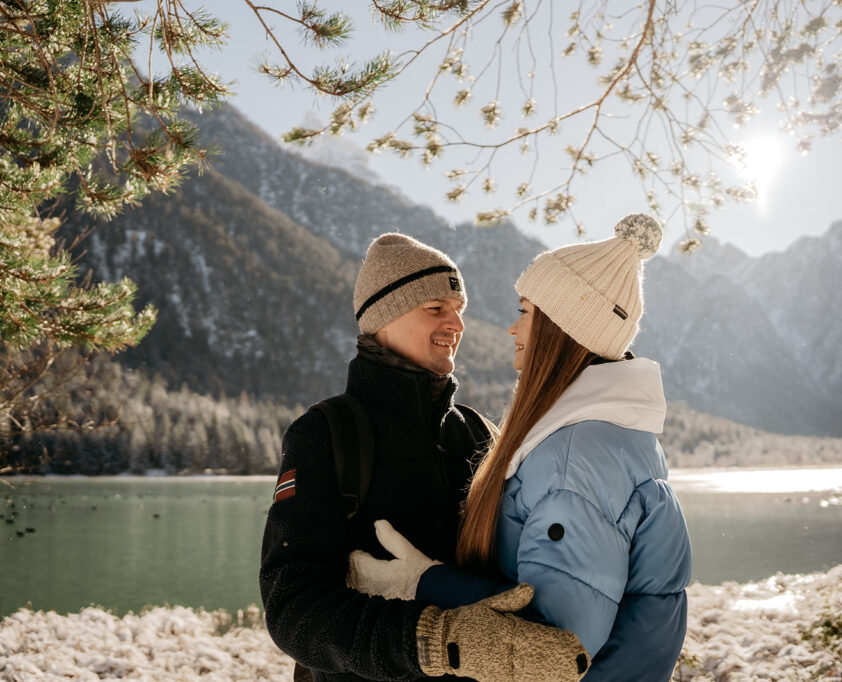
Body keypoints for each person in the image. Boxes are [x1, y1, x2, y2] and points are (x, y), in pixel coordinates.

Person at [348, 215, 693, 681]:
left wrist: (425, 583)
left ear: (561, 328)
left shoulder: (575, 455)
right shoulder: (615, 434)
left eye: (526, 312)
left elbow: (557, 643)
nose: (513, 329)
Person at [259, 233, 589, 682]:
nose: (457, 324)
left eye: (459, 310)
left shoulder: (478, 432)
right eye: (435, 308)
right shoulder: (325, 434)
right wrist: (435, 640)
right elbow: (293, 611)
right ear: (383, 317)